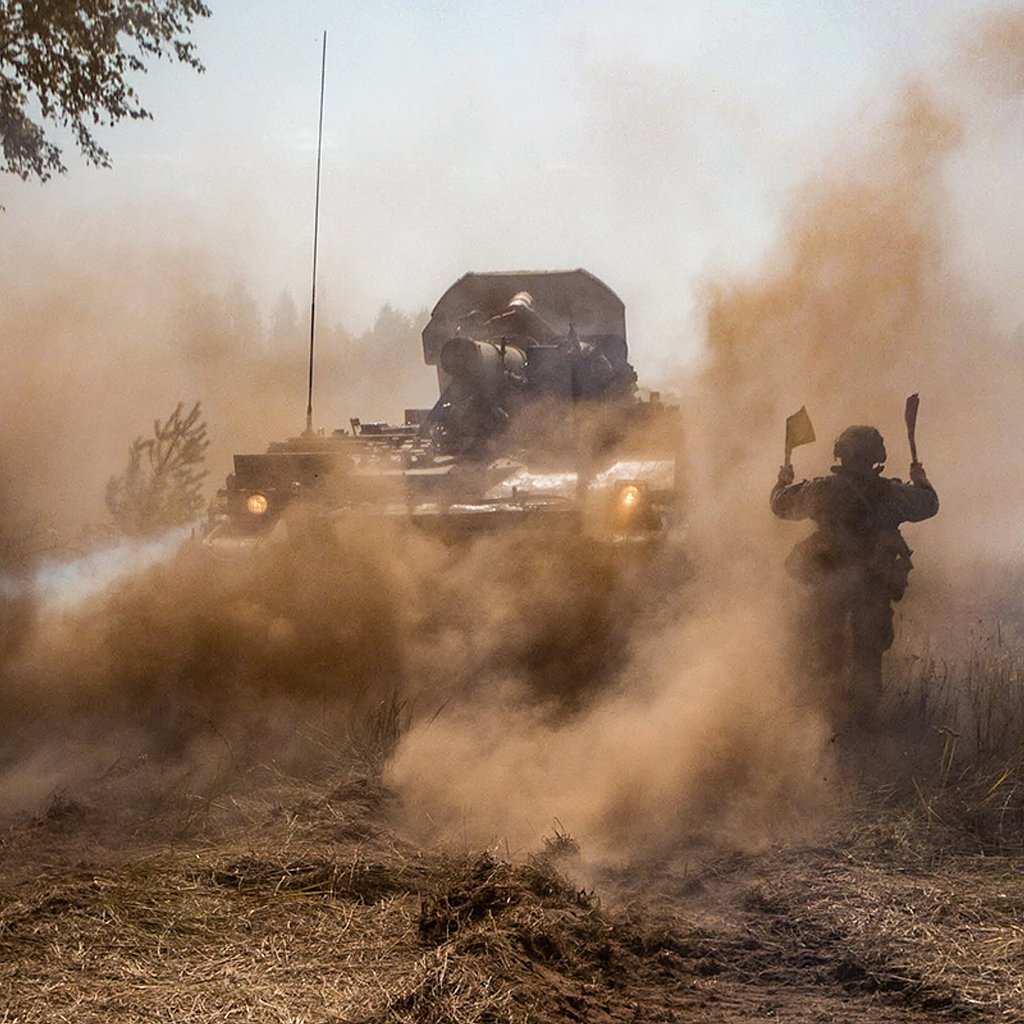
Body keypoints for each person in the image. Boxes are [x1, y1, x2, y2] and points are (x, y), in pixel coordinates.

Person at [771, 425, 938, 733]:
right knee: (868, 660)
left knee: (824, 654)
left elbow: (781, 505)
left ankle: (825, 729)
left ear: (841, 455)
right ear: (877, 457)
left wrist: (783, 481)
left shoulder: (821, 490)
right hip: (872, 589)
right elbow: (929, 504)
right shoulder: (893, 494)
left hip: (829, 587)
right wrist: (920, 479)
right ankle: (863, 730)